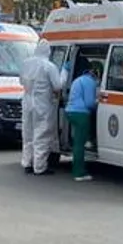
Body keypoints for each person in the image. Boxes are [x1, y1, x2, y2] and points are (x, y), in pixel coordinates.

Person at [20, 39, 63, 176]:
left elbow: (21, 81)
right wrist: (65, 73)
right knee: (42, 135)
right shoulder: (49, 66)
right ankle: (39, 167)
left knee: (28, 135)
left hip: (27, 103)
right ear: (48, 51)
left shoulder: (26, 63)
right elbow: (57, 86)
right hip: (43, 105)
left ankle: (27, 163)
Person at [65, 59, 100, 182]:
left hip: (70, 111)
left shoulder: (79, 79)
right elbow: (89, 103)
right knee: (79, 144)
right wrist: (98, 104)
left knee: (77, 142)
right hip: (81, 114)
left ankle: (79, 169)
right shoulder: (90, 82)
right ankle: (79, 173)